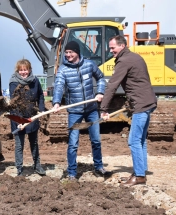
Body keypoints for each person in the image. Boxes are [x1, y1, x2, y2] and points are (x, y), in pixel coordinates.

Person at [100, 35, 157, 187]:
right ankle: (141, 170)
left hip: (141, 104)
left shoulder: (124, 61)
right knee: (141, 140)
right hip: (148, 101)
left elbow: (112, 85)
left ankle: (139, 176)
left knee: (133, 141)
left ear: (122, 46)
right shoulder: (135, 57)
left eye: (113, 48)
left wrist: (104, 109)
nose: (111, 50)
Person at [52, 41, 110, 181]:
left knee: (96, 140)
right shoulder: (63, 69)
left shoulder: (89, 64)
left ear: (77, 52)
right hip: (75, 111)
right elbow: (59, 86)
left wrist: (100, 92)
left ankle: (99, 167)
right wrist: (56, 102)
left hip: (91, 110)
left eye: (71, 52)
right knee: (73, 143)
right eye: (66, 52)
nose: (68, 55)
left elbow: (101, 78)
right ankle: (72, 173)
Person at [9, 59, 46, 176]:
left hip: (32, 116)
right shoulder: (14, 83)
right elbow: (14, 103)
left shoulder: (35, 81)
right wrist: (19, 120)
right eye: (21, 70)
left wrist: (41, 109)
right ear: (18, 71)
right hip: (18, 117)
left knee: (34, 143)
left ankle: (37, 165)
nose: (23, 72)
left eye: (25, 70)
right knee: (19, 145)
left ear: (29, 70)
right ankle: (19, 169)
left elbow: (40, 95)